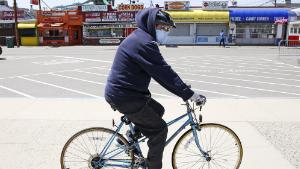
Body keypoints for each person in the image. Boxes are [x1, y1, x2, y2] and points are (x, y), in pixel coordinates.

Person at [104, 8, 206, 169]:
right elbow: (163, 72)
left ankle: (128, 139)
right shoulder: (144, 43)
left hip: (126, 93)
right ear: (152, 25)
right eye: (164, 28)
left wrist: (182, 88)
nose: (166, 32)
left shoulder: (141, 38)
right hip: (126, 96)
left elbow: (161, 72)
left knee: (158, 110)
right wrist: (188, 94)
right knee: (159, 131)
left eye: (168, 29)